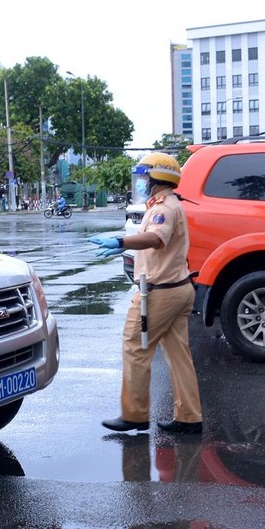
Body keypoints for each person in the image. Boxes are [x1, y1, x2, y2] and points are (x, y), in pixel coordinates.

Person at [89, 152, 202, 435]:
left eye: (144, 178)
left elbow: (156, 238)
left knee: (135, 348)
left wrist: (121, 240)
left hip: (159, 293)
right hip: (179, 289)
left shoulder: (164, 208)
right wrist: (125, 245)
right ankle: (189, 417)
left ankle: (135, 415)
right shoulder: (169, 204)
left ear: (156, 179)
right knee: (179, 356)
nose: (141, 183)